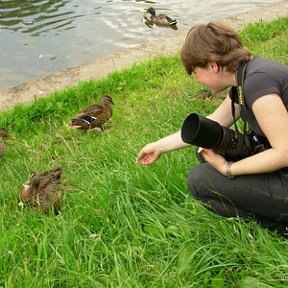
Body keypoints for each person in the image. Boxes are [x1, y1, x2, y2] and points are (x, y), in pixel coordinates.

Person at [136, 21, 288, 237]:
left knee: (199, 181)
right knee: (207, 149)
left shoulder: (257, 83)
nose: (197, 79)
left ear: (212, 65)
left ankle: (280, 228)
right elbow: (212, 123)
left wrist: (228, 168)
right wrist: (159, 146)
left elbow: (284, 153)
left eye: (195, 72)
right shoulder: (247, 77)